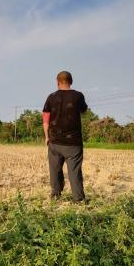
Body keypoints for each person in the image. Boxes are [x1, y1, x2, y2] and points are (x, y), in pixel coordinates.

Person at [42, 71, 88, 203]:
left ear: (57, 81)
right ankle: (78, 200)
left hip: (55, 142)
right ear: (71, 81)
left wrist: (47, 137)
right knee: (74, 172)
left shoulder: (51, 97)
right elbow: (84, 111)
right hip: (73, 143)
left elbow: (45, 119)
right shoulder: (78, 96)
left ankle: (55, 196)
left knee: (55, 170)